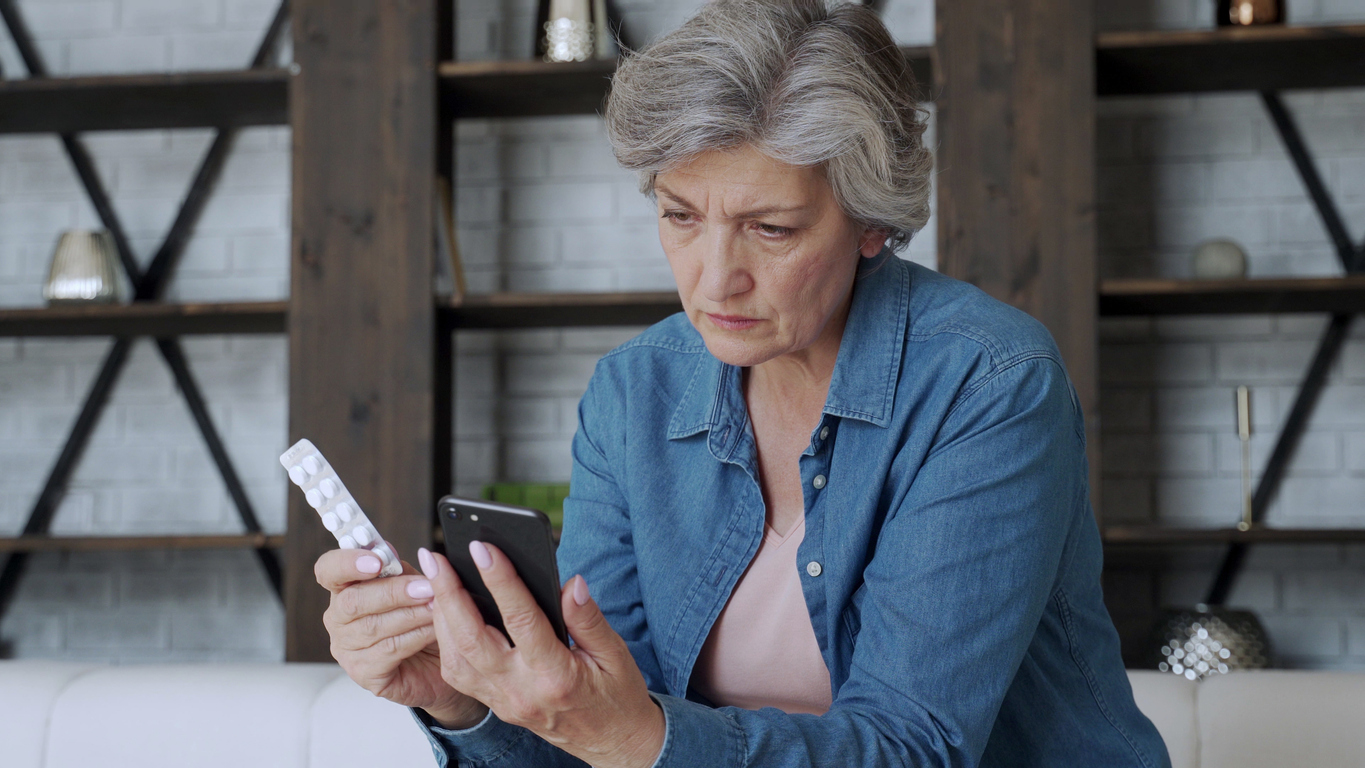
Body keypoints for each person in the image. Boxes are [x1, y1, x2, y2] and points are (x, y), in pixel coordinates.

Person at [313, 1, 1172, 766]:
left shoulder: (987, 383)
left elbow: (916, 747)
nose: (713, 280)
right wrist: (462, 701)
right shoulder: (633, 394)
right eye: (680, 215)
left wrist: (635, 736)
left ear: (869, 222)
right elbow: (595, 734)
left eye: (769, 229)